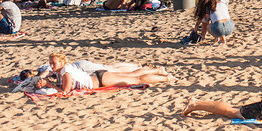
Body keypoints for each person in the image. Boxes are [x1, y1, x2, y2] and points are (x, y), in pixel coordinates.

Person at [36, 51, 172, 92]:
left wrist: (49, 85)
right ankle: (159, 71)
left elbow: (65, 91)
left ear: (61, 62)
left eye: (53, 63)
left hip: (100, 80)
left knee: (136, 79)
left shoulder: (65, 71)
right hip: (97, 77)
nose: (51, 66)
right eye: (50, 64)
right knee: (133, 75)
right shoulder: (63, 70)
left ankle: (165, 78)